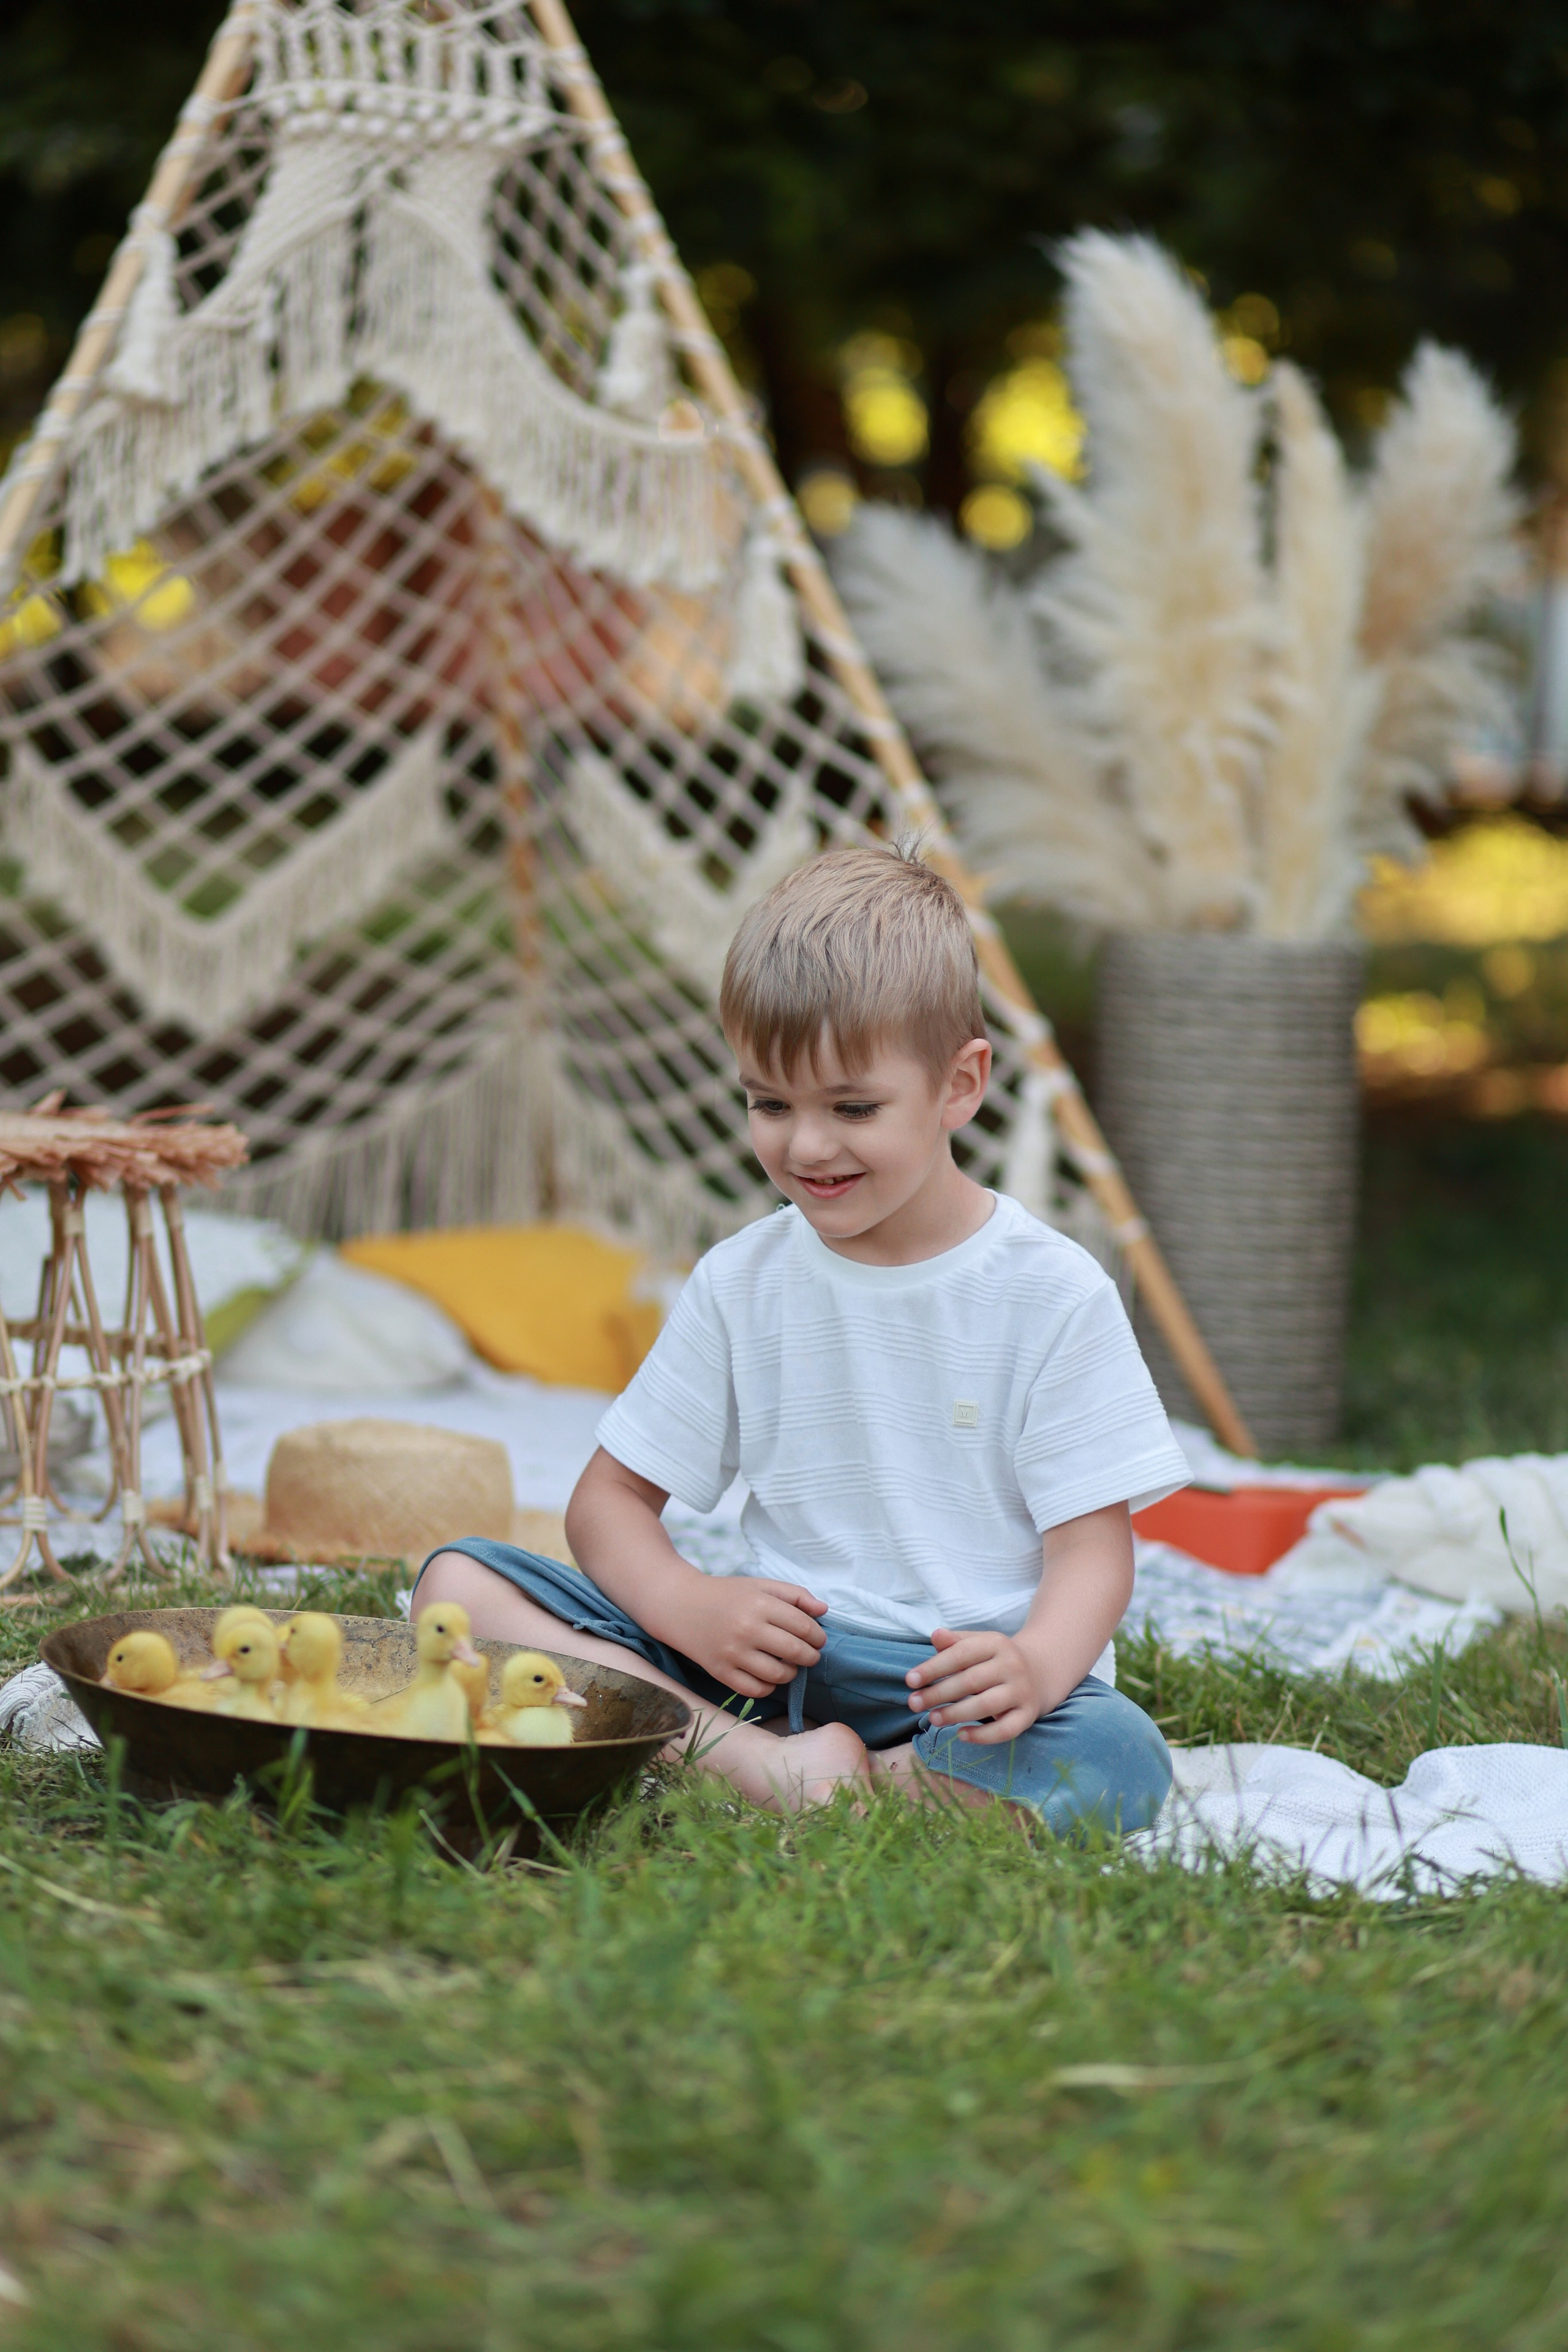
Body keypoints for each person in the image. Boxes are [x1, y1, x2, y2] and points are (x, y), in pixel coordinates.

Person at [413, 843, 1188, 1831]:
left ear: (960, 1084)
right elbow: (609, 1502)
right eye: (769, 1104)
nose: (806, 1146)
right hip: (770, 1662)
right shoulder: (745, 1279)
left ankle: (834, 1783)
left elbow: (1093, 1556)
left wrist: (1033, 1666)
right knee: (459, 1587)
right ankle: (751, 1763)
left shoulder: (1050, 1291)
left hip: (956, 1690)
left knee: (1115, 1760)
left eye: (853, 1108)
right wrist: (688, 1606)